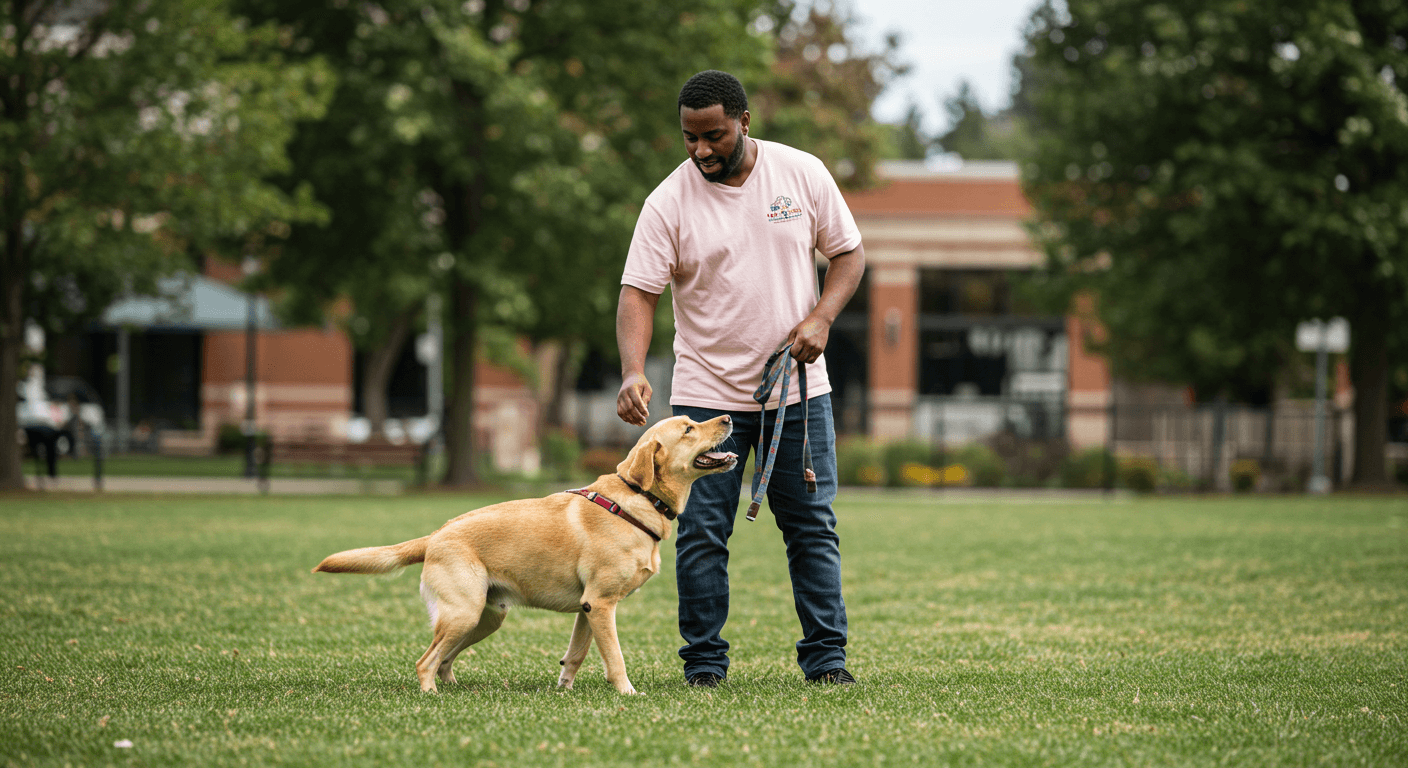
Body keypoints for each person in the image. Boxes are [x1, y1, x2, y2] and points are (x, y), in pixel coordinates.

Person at [616, 70, 866, 687]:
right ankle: (704, 665)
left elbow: (848, 253)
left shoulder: (801, 173)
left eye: (714, 135)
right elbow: (638, 292)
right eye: (689, 137)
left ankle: (826, 661)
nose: (701, 149)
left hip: (797, 392)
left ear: (744, 122)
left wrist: (821, 317)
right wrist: (632, 370)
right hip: (704, 400)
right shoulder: (667, 201)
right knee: (702, 534)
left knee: (811, 529)